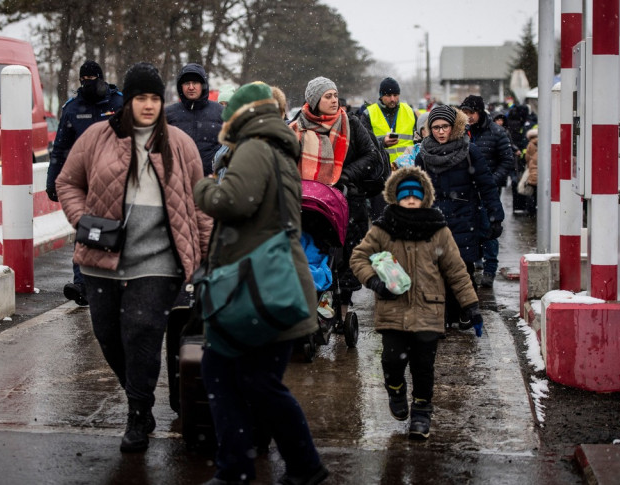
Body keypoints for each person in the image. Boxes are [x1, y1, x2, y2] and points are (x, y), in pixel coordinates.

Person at [56, 62, 211, 453]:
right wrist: (83, 220)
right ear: (128, 100)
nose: (148, 105)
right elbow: (67, 182)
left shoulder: (179, 143)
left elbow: (200, 204)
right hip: (101, 258)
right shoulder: (96, 137)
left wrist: (207, 258)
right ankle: (138, 395)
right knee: (109, 337)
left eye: (155, 98)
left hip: (160, 258)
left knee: (141, 331)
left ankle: (138, 413)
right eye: (141, 97)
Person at [193, 82, 328, 485]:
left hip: (259, 286)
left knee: (238, 376)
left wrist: (202, 184)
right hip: (273, 281)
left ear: (240, 115)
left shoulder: (254, 146)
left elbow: (230, 202)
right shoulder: (277, 146)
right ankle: (270, 466)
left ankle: (259, 467)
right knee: (247, 378)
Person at [350, 166, 482, 439]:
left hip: (429, 308)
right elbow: (358, 258)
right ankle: (395, 389)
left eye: (415, 195)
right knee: (391, 360)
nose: (411, 200)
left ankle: (422, 411)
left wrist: (471, 304)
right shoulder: (383, 228)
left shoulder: (438, 230)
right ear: (395, 197)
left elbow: (456, 270)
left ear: (425, 197)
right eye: (405, 195)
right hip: (393, 307)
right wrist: (374, 281)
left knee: (424, 366)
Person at [291, 77, 380, 327]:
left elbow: (371, 155)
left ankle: (341, 308)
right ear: (314, 100)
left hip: (347, 201)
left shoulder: (350, 123)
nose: (334, 100)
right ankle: (312, 306)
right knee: (314, 254)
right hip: (309, 203)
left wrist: (343, 177)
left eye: (335, 95)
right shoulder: (296, 126)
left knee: (346, 256)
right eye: (327, 96)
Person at [414, 105, 504, 327]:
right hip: (435, 218)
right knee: (438, 267)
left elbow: (487, 185)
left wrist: (495, 216)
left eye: (445, 126)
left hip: (464, 217)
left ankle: (464, 310)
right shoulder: (424, 155)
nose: (440, 132)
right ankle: (444, 314)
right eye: (435, 127)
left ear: (454, 127)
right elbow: (416, 188)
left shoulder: (469, 151)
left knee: (463, 266)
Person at [46, 60, 124, 306]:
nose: (88, 84)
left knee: (114, 229)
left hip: (116, 179)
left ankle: (114, 278)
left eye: (92, 79)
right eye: (84, 80)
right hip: (85, 180)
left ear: (102, 79)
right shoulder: (72, 108)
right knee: (86, 229)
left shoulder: (119, 103)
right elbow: (60, 149)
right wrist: (53, 180)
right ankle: (82, 283)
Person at [459, 95, 514, 288]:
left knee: (489, 229)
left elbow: (507, 161)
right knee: (469, 229)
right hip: (466, 191)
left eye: (471, 112)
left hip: (488, 191)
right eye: (464, 112)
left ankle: (490, 268)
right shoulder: (460, 132)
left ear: (480, 112)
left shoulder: (497, 133)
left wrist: (491, 181)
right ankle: (476, 262)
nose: (468, 117)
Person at [359, 77, 418, 219]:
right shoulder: (369, 113)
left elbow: (417, 138)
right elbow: (363, 143)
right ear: (381, 96)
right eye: (388, 95)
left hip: (406, 171)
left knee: (407, 217)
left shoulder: (409, 111)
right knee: (382, 218)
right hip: (381, 173)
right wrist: (382, 142)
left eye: (395, 95)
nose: (392, 99)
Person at [165, 62, 224, 176]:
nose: (191, 87)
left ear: (203, 85)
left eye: (195, 83)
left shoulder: (221, 112)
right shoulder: (168, 114)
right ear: (180, 86)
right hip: (178, 181)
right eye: (187, 83)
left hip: (211, 183)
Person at [523, 126, 539, 217]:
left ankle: (531, 211)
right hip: (541, 172)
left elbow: (527, 158)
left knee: (531, 192)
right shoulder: (543, 142)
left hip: (532, 171)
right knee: (538, 193)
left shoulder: (530, 144)